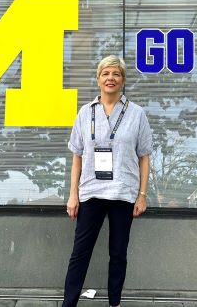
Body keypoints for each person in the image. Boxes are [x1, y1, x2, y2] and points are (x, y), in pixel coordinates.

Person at [62, 55, 153, 307]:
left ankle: (115, 303)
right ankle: (68, 304)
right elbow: (77, 156)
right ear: (98, 79)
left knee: (118, 254)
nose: (110, 78)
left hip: (123, 193)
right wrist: (72, 194)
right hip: (91, 191)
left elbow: (144, 157)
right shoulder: (85, 112)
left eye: (116, 74)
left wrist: (142, 195)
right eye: (105, 73)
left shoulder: (136, 114)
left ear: (123, 80)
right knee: (80, 253)